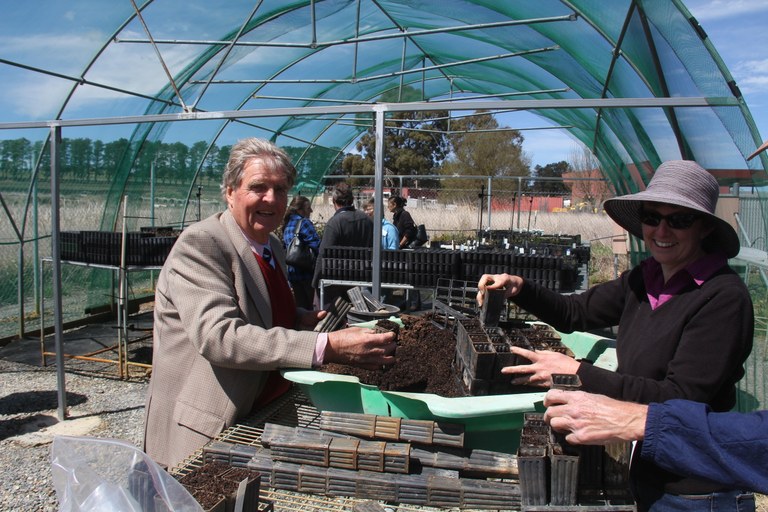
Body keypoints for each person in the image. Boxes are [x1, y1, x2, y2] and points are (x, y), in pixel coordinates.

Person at [477, 160, 754, 511]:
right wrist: (520, 287)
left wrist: (578, 372)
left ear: (704, 229)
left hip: (694, 489)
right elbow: (575, 312)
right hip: (646, 468)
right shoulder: (645, 278)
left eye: (679, 220)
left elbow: (680, 398)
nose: (662, 231)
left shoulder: (723, 298)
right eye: (653, 218)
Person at [143, 139, 396, 469]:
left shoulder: (271, 245)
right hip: (212, 424)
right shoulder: (203, 244)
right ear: (230, 191)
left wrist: (299, 317)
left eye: (280, 189)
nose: (271, 199)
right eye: (258, 187)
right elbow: (219, 337)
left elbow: (259, 311)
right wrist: (326, 345)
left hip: (264, 411)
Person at [543, 388, 768, 496]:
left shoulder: (725, 300)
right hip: (652, 474)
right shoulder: (642, 297)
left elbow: (684, 390)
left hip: (698, 490)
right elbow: (580, 311)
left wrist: (643, 421)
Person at [312, 181, 374, 308]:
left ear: (334, 200)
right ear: (352, 199)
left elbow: (323, 255)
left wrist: (315, 282)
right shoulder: (367, 220)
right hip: (360, 278)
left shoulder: (335, 223)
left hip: (334, 282)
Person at [282, 195, 321, 309]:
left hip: (293, 274)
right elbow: (317, 245)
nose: (311, 211)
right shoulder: (304, 222)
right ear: (300, 209)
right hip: (306, 273)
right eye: (308, 208)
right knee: (313, 308)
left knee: (301, 308)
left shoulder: (287, 224)